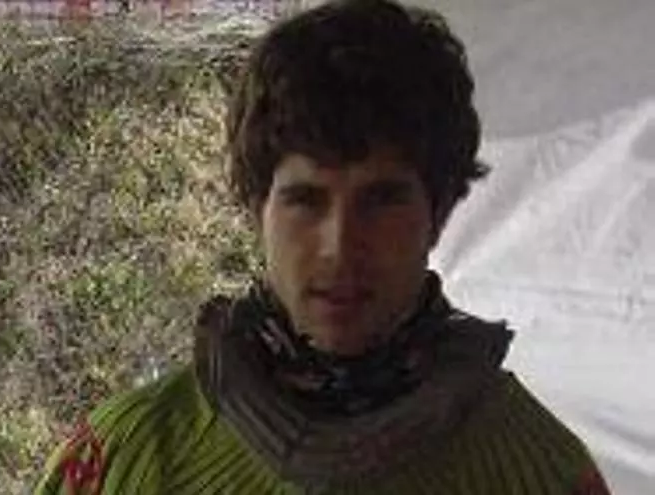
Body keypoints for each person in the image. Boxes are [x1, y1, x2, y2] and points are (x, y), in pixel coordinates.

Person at [34, 0, 611, 493]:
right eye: (306, 201)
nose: (340, 247)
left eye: (381, 201)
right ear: (257, 209)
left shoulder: (542, 473)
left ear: (437, 213)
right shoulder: (122, 461)